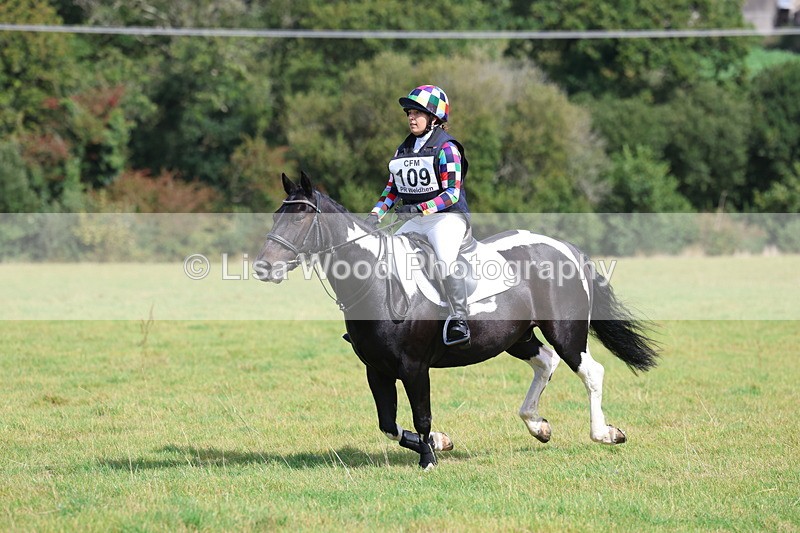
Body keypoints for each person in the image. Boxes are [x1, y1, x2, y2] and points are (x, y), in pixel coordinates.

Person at [367, 84, 472, 346]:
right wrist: (375, 214)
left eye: (418, 113)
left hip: (446, 218)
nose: (411, 117)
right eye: (409, 113)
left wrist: (420, 208)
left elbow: (452, 194)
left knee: (445, 260)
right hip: (416, 219)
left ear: (434, 118)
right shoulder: (403, 150)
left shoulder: (448, 149)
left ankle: (459, 318)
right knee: (384, 255)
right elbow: (391, 190)